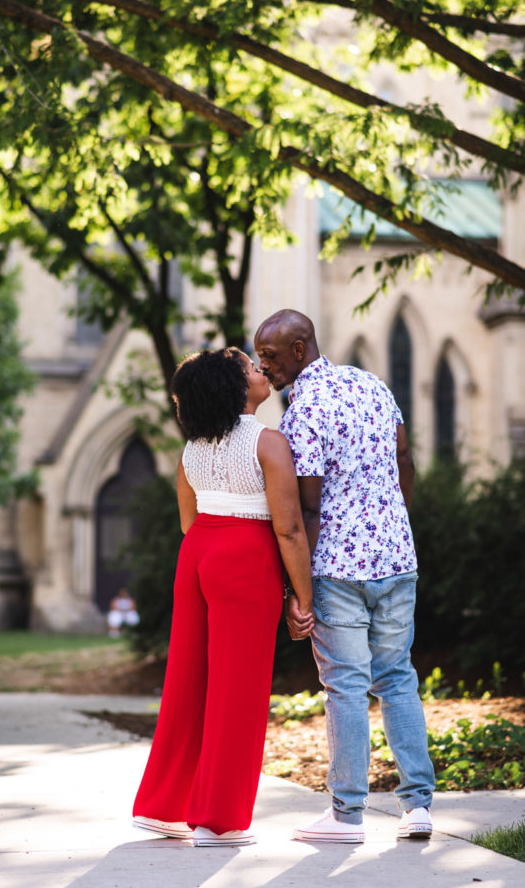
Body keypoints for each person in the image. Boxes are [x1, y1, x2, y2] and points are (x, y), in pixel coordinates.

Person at [254, 309, 435, 844]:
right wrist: (395, 521)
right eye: (259, 357)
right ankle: (418, 807)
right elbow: (403, 454)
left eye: (271, 356)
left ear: (301, 348)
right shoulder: (371, 383)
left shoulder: (303, 410)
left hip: (338, 567)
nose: (266, 367)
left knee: (347, 687)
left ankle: (346, 816)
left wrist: (296, 589)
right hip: (397, 560)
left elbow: (306, 510)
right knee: (398, 677)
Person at [132, 347, 314, 847]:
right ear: (237, 388)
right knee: (238, 685)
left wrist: (210, 555)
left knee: (187, 680)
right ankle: (219, 819)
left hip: (197, 556)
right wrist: (304, 596)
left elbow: (189, 522)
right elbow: (291, 529)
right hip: (244, 556)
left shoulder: (191, 449)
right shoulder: (268, 443)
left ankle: (162, 807)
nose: (262, 371)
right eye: (253, 369)